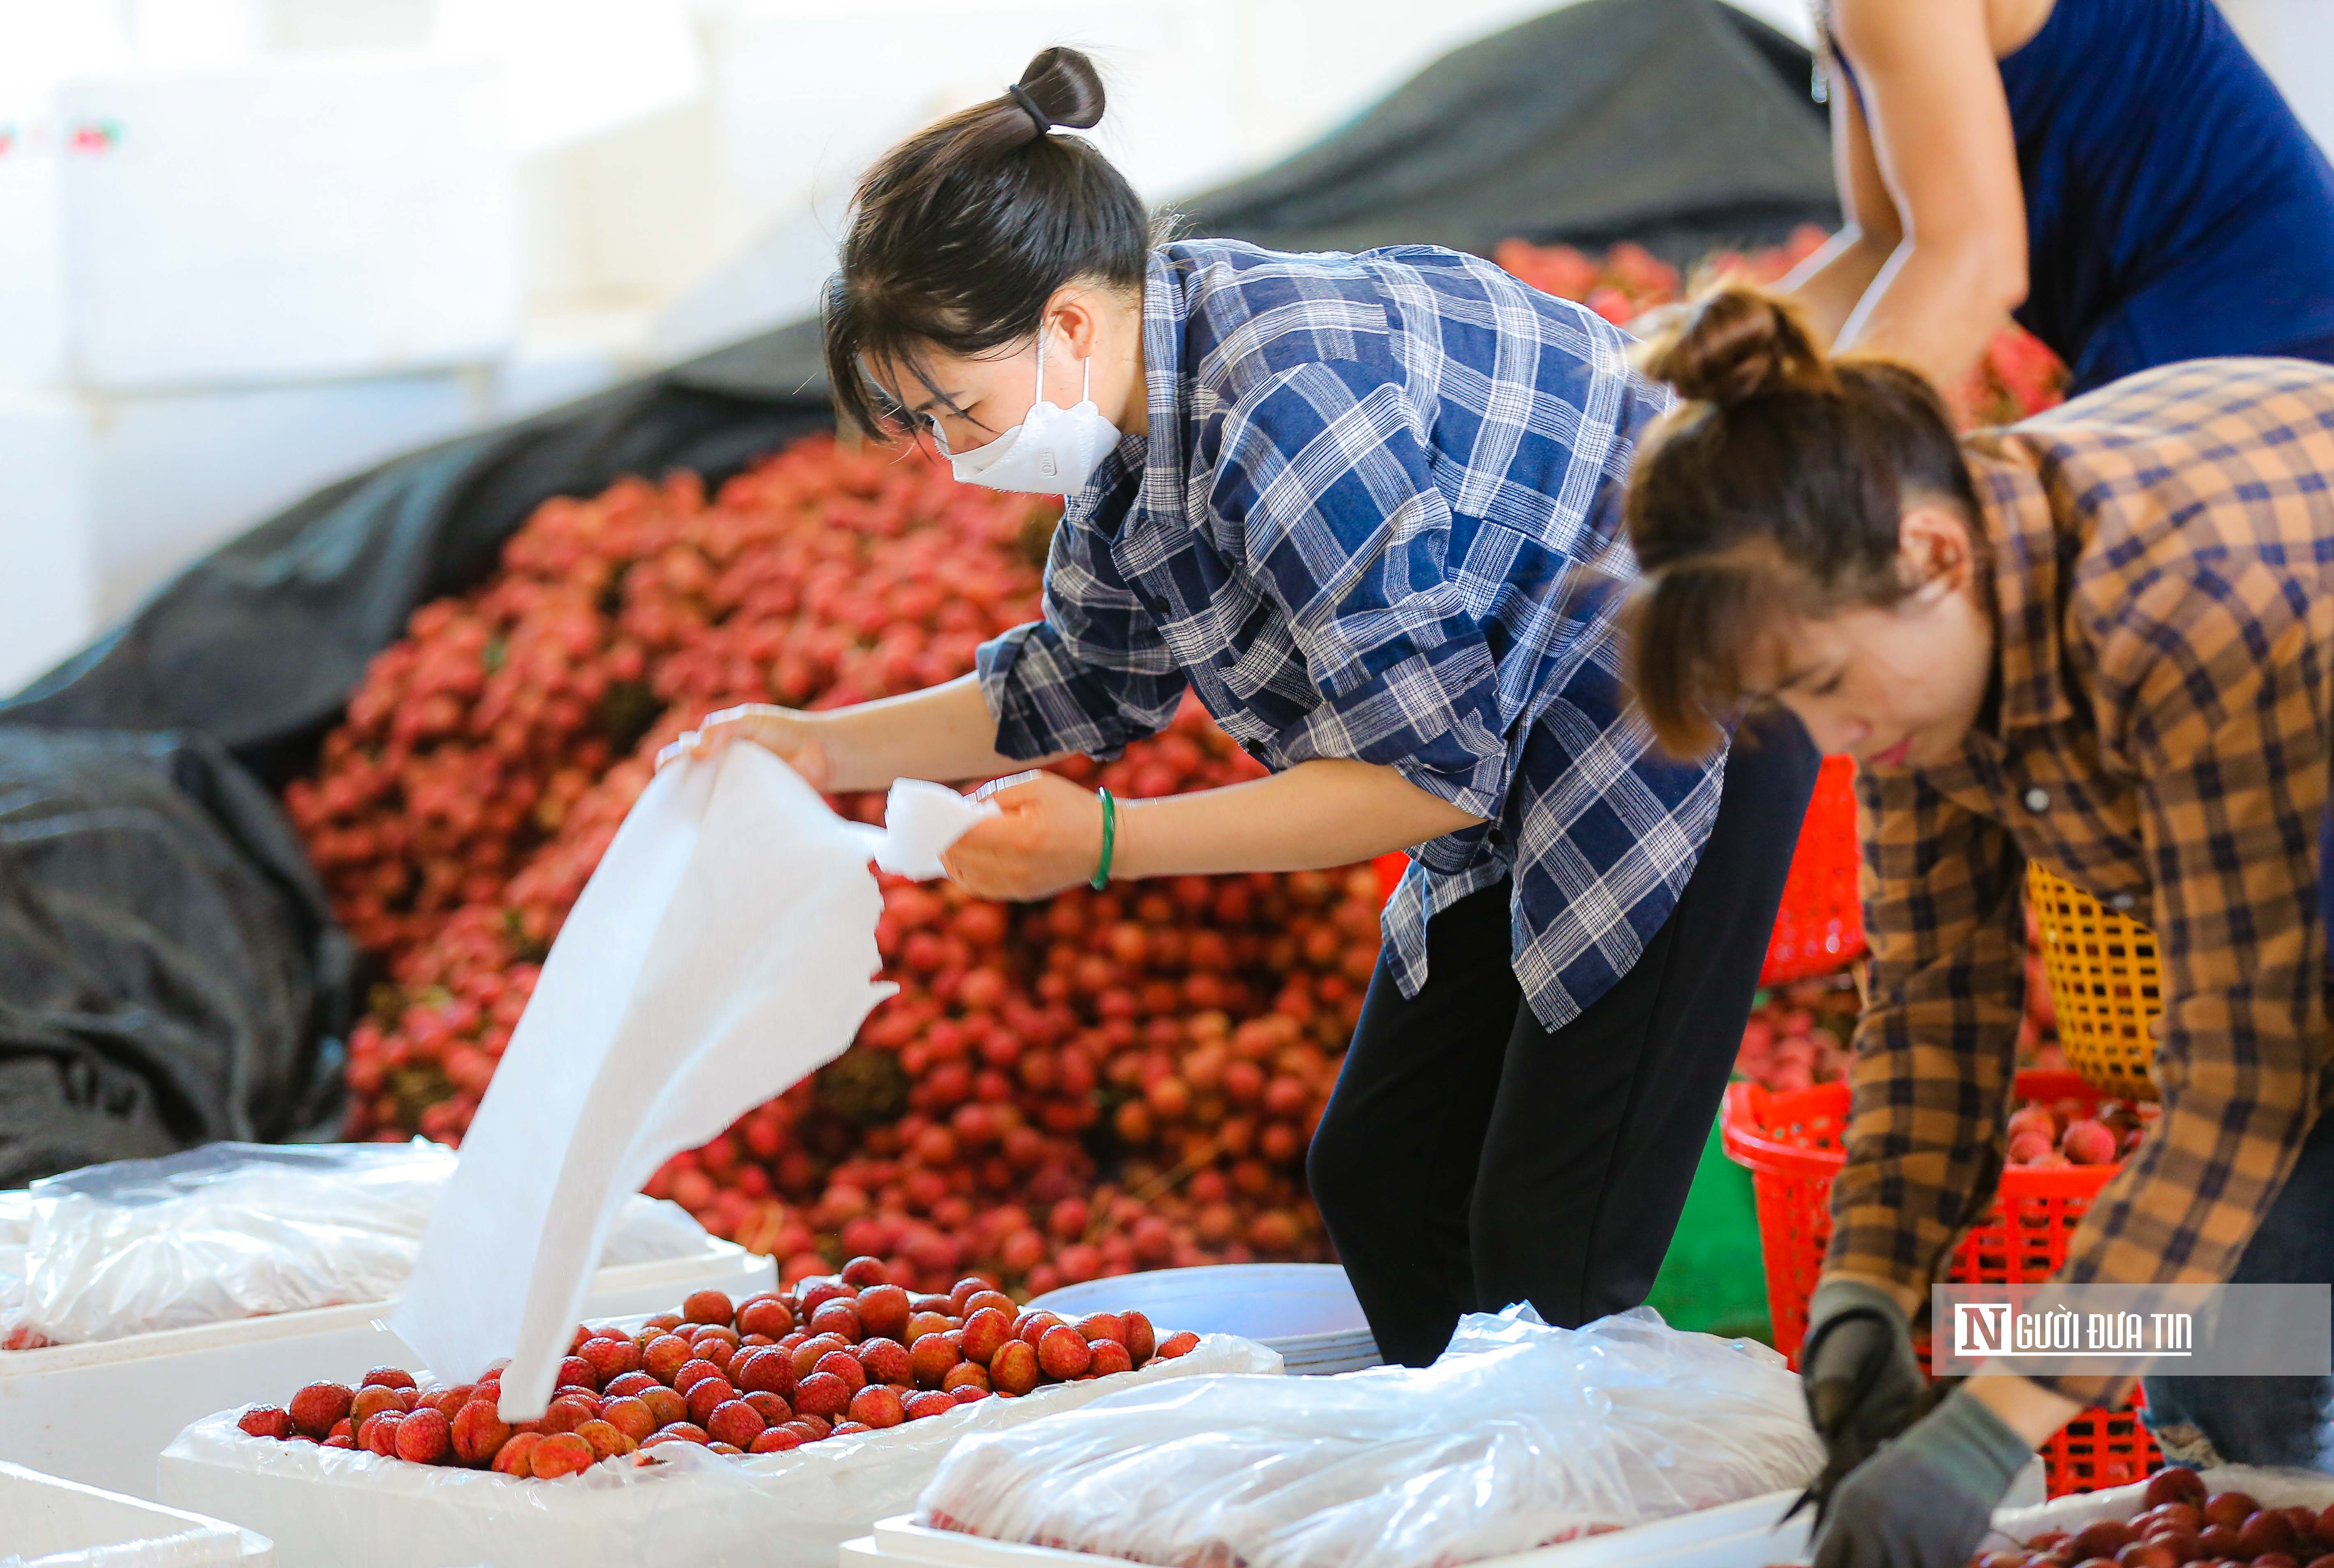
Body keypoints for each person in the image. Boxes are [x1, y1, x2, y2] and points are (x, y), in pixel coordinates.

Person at [668, 47, 1817, 1368]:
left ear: (1066, 328)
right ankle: (1471, 1481)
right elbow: (1074, 682)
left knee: (1551, 1249)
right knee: (1383, 1177)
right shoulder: (1135, 428)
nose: (948, 455)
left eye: (953, 408)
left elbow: (1429, 778)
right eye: (918, 422)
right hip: (1521, 725)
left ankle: (1588, 1513)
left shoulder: (1284, 400)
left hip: (1679, 694)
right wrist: (816, 746)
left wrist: (1107, 848)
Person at [1617, 285, 2334, 1567]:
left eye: (1827, 688)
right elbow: (1935, 1008)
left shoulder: (2183, 615)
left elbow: (2250, 1091)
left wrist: (1992, 1426)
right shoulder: (1916, 640)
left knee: (2276, 1315)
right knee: (2242, 1359)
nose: (1835, 742)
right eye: (1790, 706)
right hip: (2296, 906)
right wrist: (1868, 1292)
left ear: (1938, 556)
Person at [1781, 0, 2334, 394]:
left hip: (2254, 326)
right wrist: (1726, 348)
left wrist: (1815, 442)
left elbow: (1976, 263)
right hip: (2214, 317)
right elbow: (1886, 240)